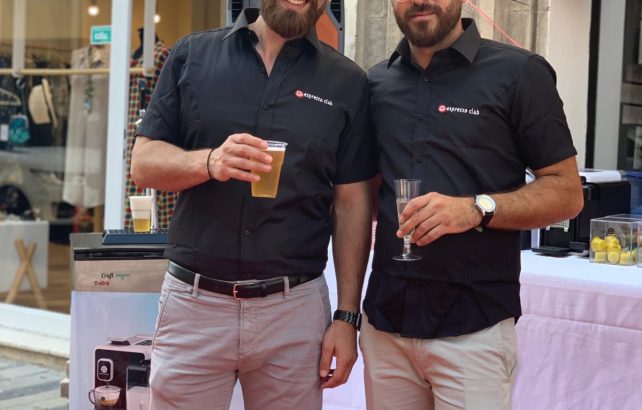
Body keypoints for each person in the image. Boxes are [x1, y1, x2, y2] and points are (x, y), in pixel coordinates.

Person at [130, 1, 375, 409]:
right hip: (195, 308)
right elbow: (143, 164)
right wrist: (209, 162)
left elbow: (351, 204)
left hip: (294, 314)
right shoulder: (193, 55)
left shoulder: (347, 82)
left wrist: (347, 317)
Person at [361, 0, 584, 409]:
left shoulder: (519, 73)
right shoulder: (377, 82)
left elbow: (567, 192)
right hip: (387, 325)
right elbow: (365, 194)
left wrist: (476, 208)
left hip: (473, 329)